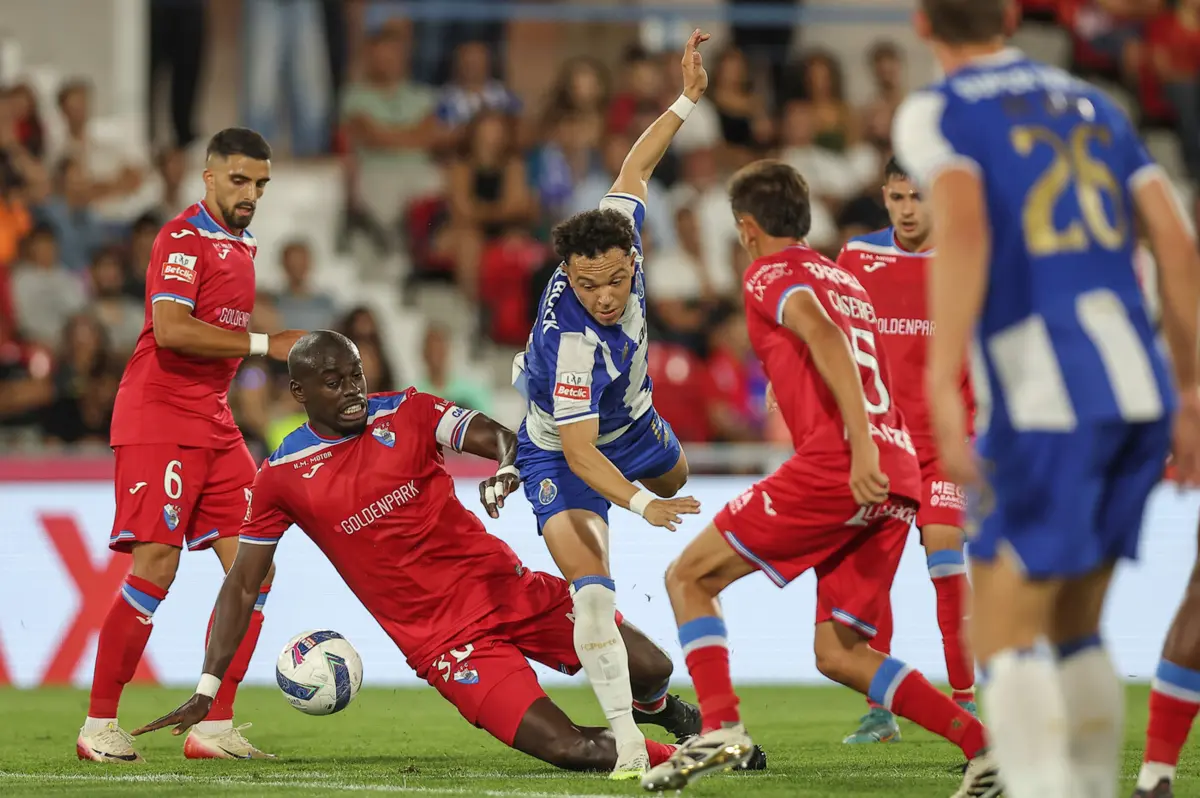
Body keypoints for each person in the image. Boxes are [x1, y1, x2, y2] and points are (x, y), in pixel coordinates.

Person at [129, 330, 724, 774]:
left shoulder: (407, 411)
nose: (353, 392)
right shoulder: (281, 477)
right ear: (299, 390)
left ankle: (659, 708)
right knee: (569, 747)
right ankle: (693, 754)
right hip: (446, 643)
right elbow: (241, 584)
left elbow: (497, 437)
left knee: (652, 667)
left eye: (357, 376)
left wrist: (507, 466)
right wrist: (208, 687)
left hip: (509, 590)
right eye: (334, 383)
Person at [890, 2, 1200, 797]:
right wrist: (1192, 386)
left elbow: (962, 229)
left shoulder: (939, 111)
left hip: (1045, 395)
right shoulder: (1095, 102)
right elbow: (1174, 239)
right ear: (1007, 16)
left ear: (924, 25)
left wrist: (940, 383)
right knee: (1073, 626)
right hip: (1138, 392)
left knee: (999, 624)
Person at [640, 160, 999, 798]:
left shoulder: (769, 272)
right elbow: (865, 358)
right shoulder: (847, 278)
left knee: (687, 577)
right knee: (839, 652)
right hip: (899, 471)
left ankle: (721, 728)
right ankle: (981, 746)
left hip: (842, 465)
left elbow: (823, 336)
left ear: (747, 228)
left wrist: (856, 446)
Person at [510, 31, 709, 780]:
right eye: (587, 284)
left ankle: (647, 711)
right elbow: (584, 453)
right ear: (567, 270)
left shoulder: (617, 230)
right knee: (592, 594)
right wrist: (636, 507)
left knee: (679, 480)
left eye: (616, 282)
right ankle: (630, 744)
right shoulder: (572, 346)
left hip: (638, 427)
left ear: (630, 257)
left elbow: (638, 164)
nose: (603, 296)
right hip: (565, 447)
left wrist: (687, 97)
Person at [75, 128, 305, 764]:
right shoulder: (182, 238)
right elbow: (173, 330)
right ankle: (98, 724)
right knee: (156, 566)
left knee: (256, 570)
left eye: (259, 184)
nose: (250, 194)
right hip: (159, 418)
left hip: (213, 421)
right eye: (238, 180)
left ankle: (215, 725)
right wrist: (266, 344)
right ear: (207, 178)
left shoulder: (245, 244)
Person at [834, 156, 976, 745]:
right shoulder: (857, 257)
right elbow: (832, 331)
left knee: (944, 554)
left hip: (946, 441)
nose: (908, 210)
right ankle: (881, 708)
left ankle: (966, 698)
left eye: (918, 197)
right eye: (897, 198)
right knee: (874, 571)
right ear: (885, 198)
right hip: (884, 442)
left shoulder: (967, 259)